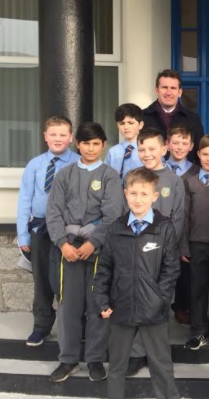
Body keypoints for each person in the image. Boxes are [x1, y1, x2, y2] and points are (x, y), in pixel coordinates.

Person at [92, 167, 185, 399]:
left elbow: (171, 271)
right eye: (133, 193)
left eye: (144, 193)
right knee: (117, 365)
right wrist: (103, 300)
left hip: (153, 310)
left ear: (155, 196)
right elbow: (104, 268)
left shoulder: (164, 227)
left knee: (161, 365)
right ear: (125, 194)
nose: (138, 198)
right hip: (121, 309)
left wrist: (160, 300)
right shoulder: (116, 228)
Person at [46, 122, 125, 383]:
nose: (91, 148)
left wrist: (95, 242)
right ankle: (67, 359)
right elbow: (54, 211)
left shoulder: (110, 176)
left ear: (103, 145)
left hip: (97, 250)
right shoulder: (64, 175)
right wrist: (62, 243)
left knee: (97, 306)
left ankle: (94, 359)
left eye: (96, 143)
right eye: (86, 143)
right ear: (76, 144)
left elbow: (113, 214)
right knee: (68, 306)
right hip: (67, 248)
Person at [127, 127, 186, 377]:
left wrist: (163, 248)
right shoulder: (132, 177)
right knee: (137, 302)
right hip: (136, 252)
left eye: (152, 149)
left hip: (163, 254)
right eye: (142, 149)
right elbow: (126, 214)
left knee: (161, 303)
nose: (147, 153)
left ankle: (158, 355)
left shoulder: (174, 180)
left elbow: (179, 217)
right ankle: (137, 353)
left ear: (165, 149)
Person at [17, 115, 80, 347]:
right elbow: (24, 199)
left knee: (69, 279)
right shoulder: (35, 164)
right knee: (42, 279)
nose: (58, 138)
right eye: (53, 134)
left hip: (68, 230)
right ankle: (41, 326)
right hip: (40, 230)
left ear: (71, 138)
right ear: (45, 136)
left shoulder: (78, 162)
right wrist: (23, 235)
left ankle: (74, 325)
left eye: (63, 134)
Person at [182, 135, 209, 350]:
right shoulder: (188, 181)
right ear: (198, 154)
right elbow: (183, 215)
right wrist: (183, 244)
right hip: (196, 243)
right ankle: (199, 331)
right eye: (205, 154)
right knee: (197, 288)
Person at [164, 123, 197, 334]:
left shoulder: (196, 171)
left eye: (184, 143)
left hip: (187, 228)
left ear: (191, 146)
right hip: (162, 229)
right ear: (167, 145)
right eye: (175, 142)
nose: (179, 147)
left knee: (186, 274)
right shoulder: (157, 169)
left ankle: (182, 306)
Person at [142, 69, 204, 163]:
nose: (168, 92)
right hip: (149, 175)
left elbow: (199, 153)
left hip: (185, 176)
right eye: (164, 87)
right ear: (157, 90)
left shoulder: (193, 119)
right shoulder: (142, 117)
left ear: (180, 92)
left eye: (173, 88)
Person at [104, 103, 145, 181]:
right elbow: (106, 177)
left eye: (131, 123)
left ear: (141, 125)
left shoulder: (148, 150)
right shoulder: (113, 152)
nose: (126, 127)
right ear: (117, 126)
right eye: (122, 123)